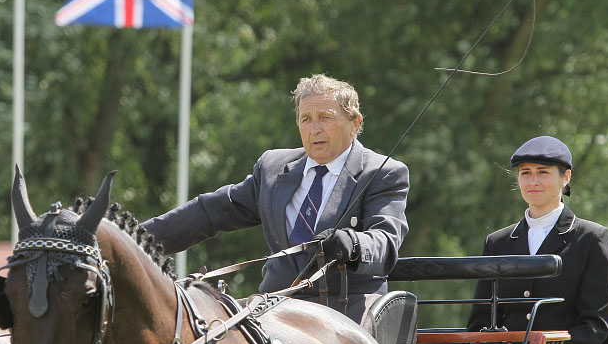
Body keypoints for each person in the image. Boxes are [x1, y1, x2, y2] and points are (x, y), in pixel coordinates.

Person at [141, 74, 409, 323]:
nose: (314, 129)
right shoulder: (273, 168)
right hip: (272, 313)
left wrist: (353, 244)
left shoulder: (383, 173)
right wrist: (133, 240)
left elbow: (385, 242)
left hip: (344, 318)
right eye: (306, 119)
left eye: (326, 117)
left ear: (355, 123)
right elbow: (211, 212)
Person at [465, 135, 608, 344]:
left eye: (543, 173)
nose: (533, 181)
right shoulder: (498, 242)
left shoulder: (591, 239)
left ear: (565, 177)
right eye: (526, 173)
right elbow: (480, 321)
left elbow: (595, 324)